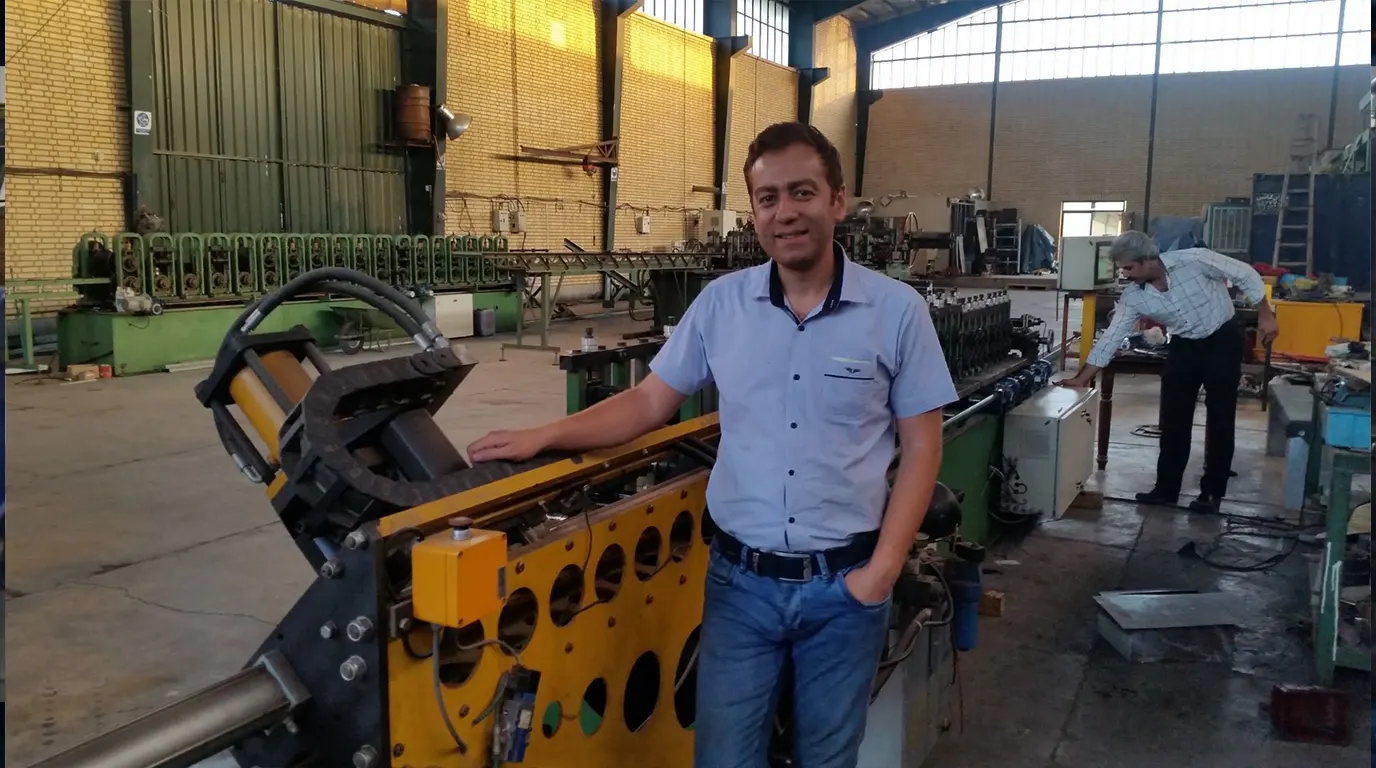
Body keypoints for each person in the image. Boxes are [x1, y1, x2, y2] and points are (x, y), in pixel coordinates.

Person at [466, 122, 956, 767]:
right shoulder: (722, 306)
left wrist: (882, 574)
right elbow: (648, 402)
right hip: (740, 588)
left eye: (802, 192)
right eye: (768, 198)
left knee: (829, 758)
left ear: (837, 201)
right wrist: (546, 434)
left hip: (846, 588)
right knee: (724, 757)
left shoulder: (896, 312)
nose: (785, 212)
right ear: (754, 213)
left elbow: (922, 447)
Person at [1059, 231, 1279, 513]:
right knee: (1174, 419)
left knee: (1220, 418)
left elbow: (1245, 274)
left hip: (1222, 341)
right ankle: (1166, 489)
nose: (1125, 274)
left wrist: (1265, 314)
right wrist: (1082, 378)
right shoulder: (1134, 296)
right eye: (1122, 269)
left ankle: (1212, 493)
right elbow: (1112, 336)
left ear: (1148, 260)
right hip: (1184, 346)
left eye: (1129, 268)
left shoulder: (1195, 260)